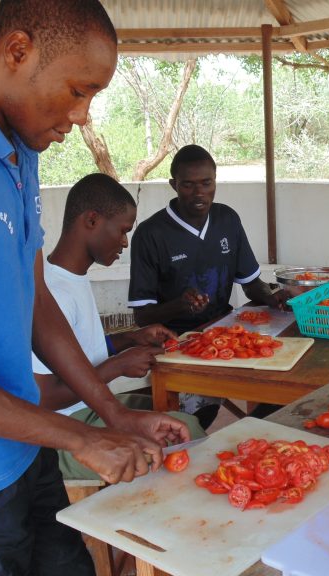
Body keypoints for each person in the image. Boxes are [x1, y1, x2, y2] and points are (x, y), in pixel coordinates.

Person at [0, 2, 189, 575]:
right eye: (78, 90)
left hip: (25, 446)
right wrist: (80, 440)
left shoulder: (21, 149)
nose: (83, 116)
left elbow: (33, 296)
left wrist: (109, 412)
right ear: (18, 52)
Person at [33, 173, 206, 480]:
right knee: (183, 432)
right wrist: (117, 366)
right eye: (123, 231)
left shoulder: (72, 278)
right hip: (63, 431)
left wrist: (129, 339)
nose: (125, 243)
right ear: (92, 221)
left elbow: (78, 352)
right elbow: (43, 397)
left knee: (179, 415)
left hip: (87, 408)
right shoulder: (53, 290)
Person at [128, 144, 289, 428]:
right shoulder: (151, 234)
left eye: (206, 183)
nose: (199, 192)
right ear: (173, 185)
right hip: (177, 340)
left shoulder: (227, 219)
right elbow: (142, 316)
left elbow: (251, 284)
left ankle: (255, 428)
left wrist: (273, 298)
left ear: (215, 182)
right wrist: (180, 304)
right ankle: (199, 432)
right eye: (188, 185)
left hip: (225, 328)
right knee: (195, 415)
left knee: (279, 378)